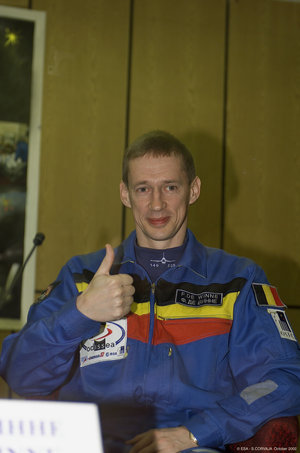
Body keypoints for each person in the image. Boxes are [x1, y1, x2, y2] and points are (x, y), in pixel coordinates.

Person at [1, 130, 300, 453]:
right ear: (125, 194)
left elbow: (284, 379)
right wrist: (81, 313)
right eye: (143, 188)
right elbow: (20, 376)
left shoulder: (238, 280)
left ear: (193, 190)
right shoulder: (81, 276)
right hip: (87, 444)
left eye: (170, 187)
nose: (157, 203)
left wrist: (196, 432)